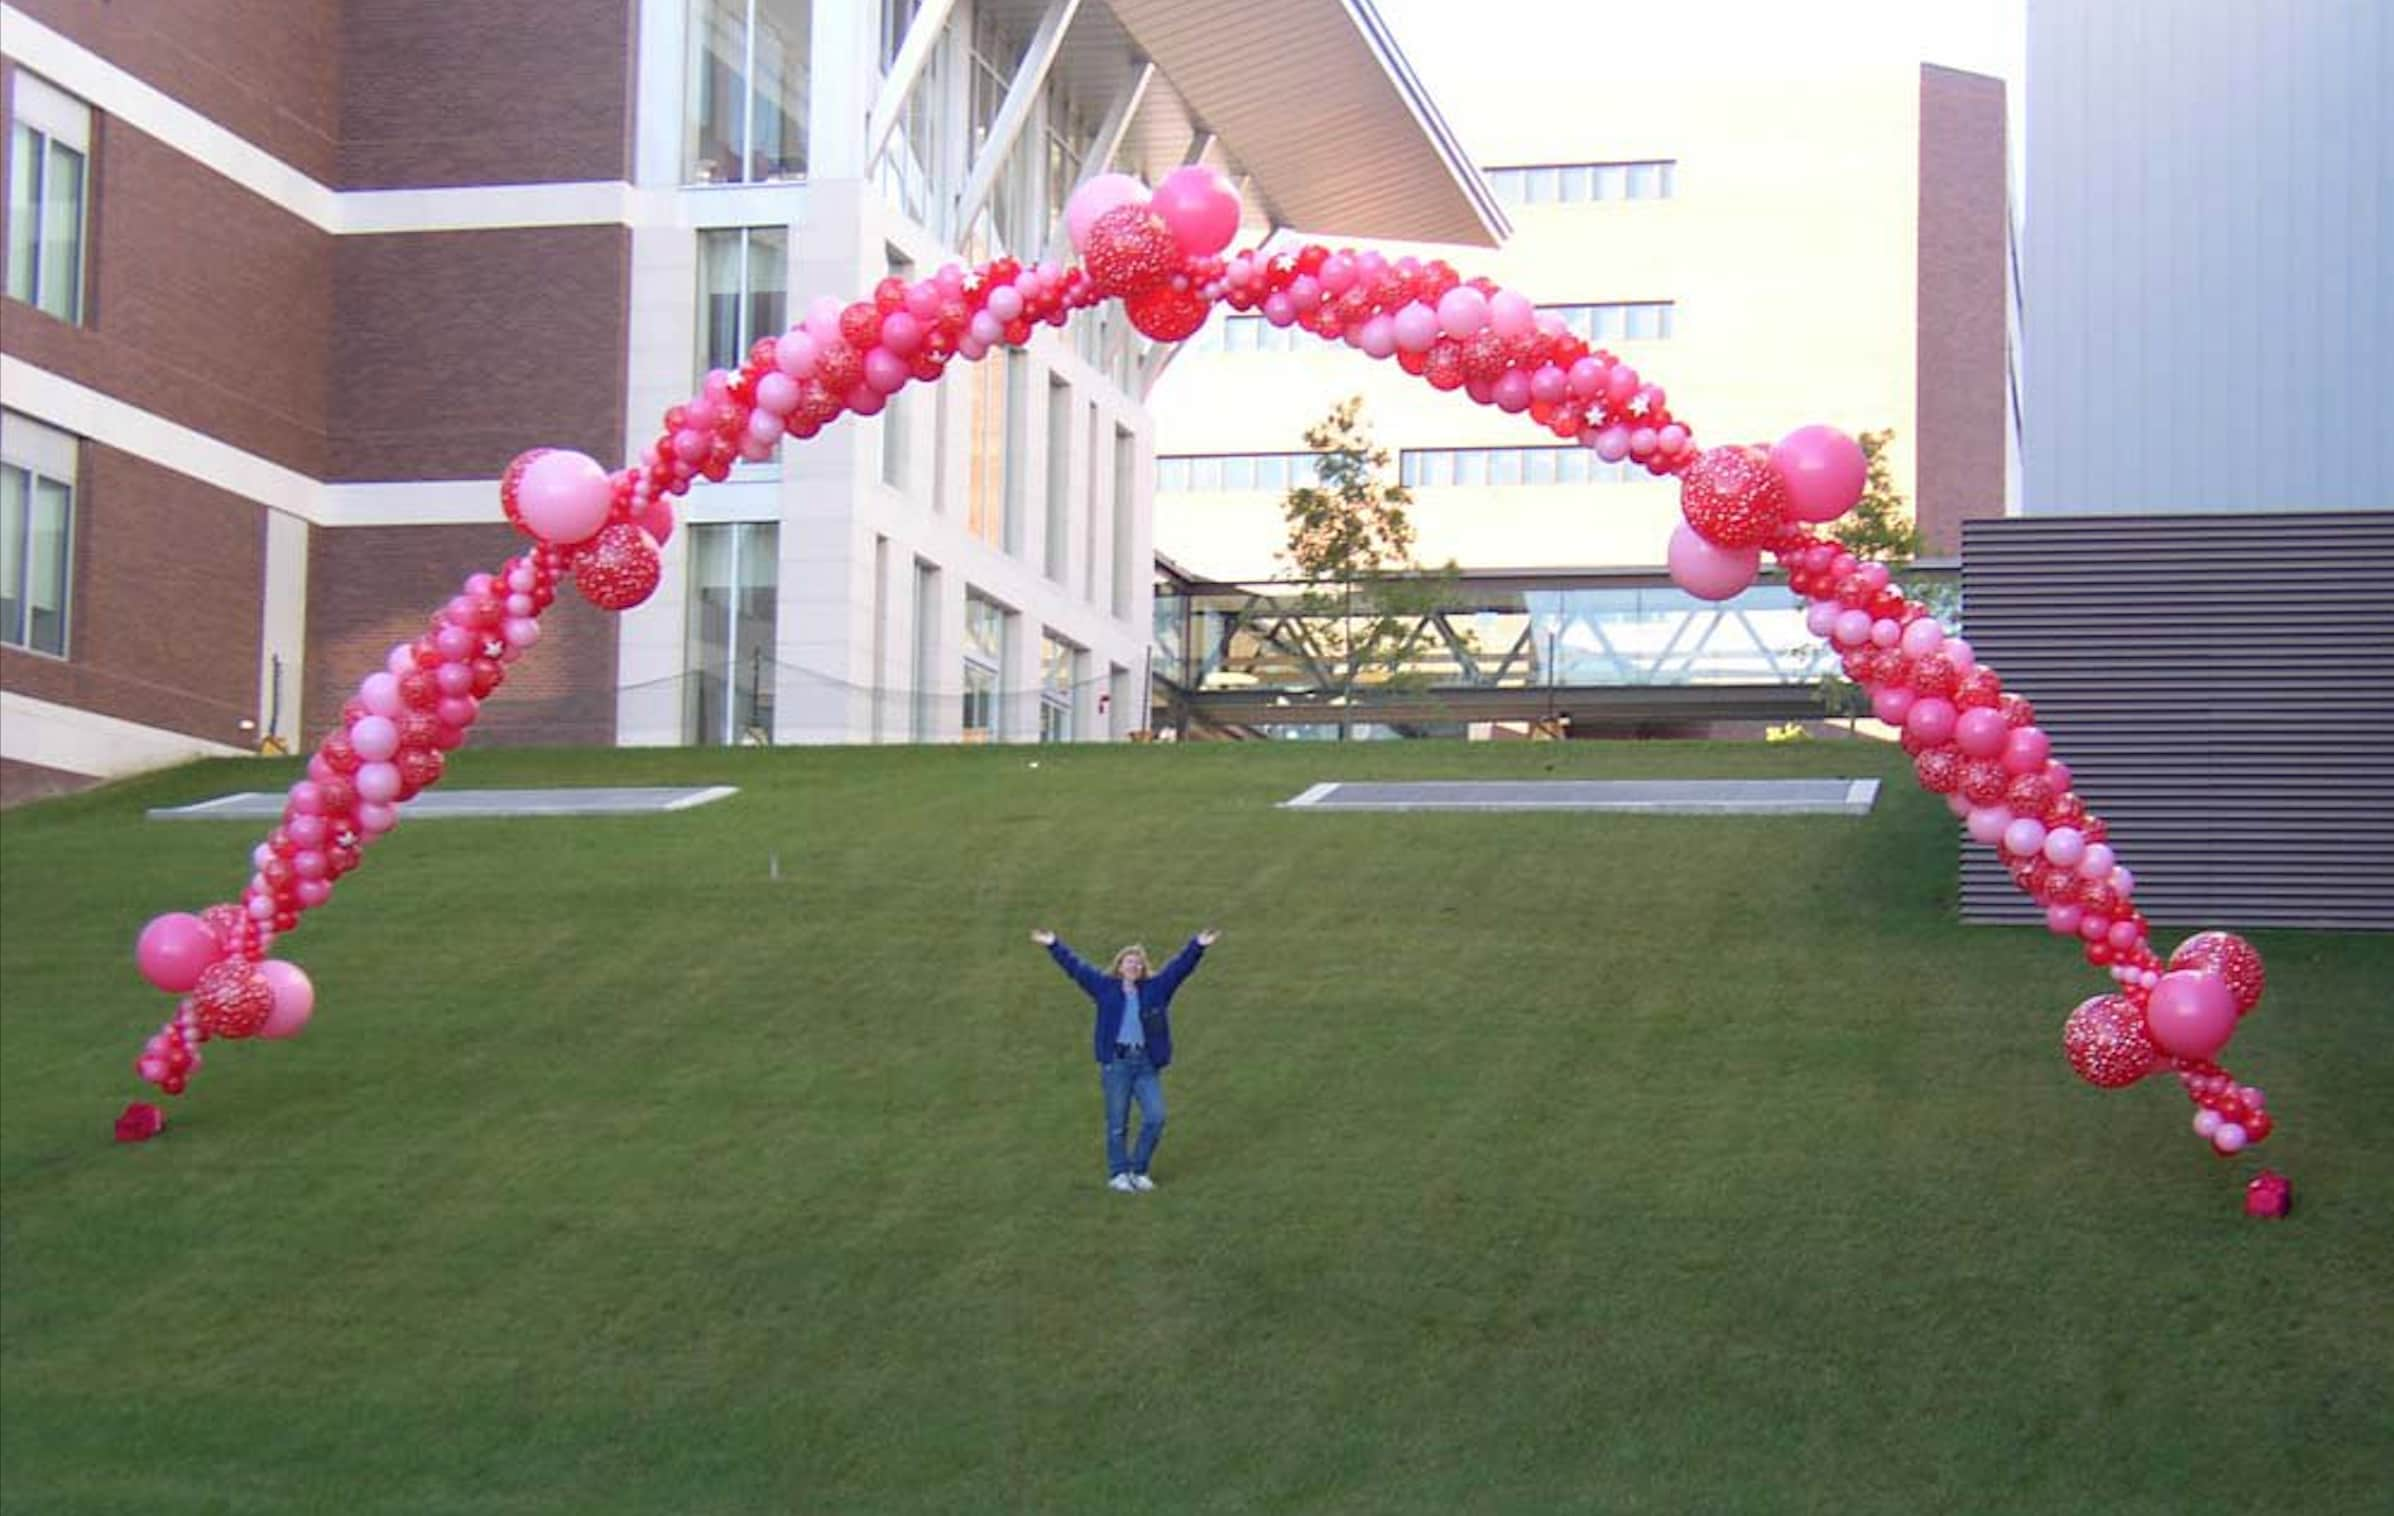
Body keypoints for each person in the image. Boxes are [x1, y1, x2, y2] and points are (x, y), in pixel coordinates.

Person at [1031, 926, 1220, 1193]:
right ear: (1119, 966)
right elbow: (1076, 968)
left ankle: (1139, 1170)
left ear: (1143, 968)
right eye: (1129, 961)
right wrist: (1053, 944)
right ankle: (1118, 1173)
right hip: (1116, 1064)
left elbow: (1180, 969)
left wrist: (1198, 945)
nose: (1134, 965)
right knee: (1118, 1123)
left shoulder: (1156, 989)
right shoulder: (1104, 988)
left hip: (1145, 1064)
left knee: (1156, 1117)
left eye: (1138, 962)